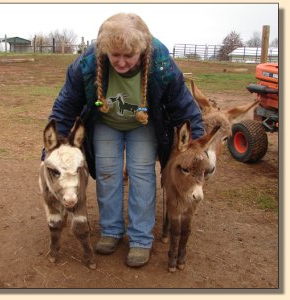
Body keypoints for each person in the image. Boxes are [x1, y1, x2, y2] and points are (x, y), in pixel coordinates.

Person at [42, 13, 205, 267]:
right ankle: (111, 231)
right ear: (105, 49)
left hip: (144, 123)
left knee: (141, 173)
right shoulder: (87, 62)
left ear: (142, 50)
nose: (120, 62)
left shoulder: (161, 62)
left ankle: (140, 239)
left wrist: (198, 153)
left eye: (128, 56)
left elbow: (185, 107)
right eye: (114, 55)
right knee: (108, 172)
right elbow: (65, 107)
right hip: (106, 122)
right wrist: (49, 154)